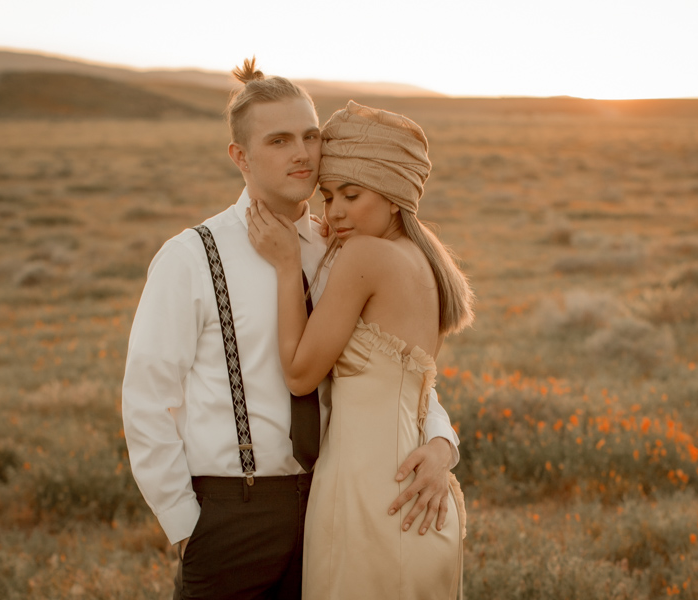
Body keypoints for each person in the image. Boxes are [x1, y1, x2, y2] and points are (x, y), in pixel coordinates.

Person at [121, 59, 460, 600]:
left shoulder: (342, 246)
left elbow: (394, 365)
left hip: (335, 505)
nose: (301, 153)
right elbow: (147, 399)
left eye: (309, 135)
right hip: (234, 514)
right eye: (278, 140)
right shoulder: (191, 257)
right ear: (241, 156)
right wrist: (186, 525)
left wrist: (441, 443)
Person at [247, 100, 474, 599]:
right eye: (328, 197)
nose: (336, 212)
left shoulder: (365, 256)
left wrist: (288, 267)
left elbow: (301, 374)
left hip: (369, 497)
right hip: (420, 499)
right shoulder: (429, 265)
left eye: (352, 195)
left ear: (394, 197)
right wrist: (442, 447)